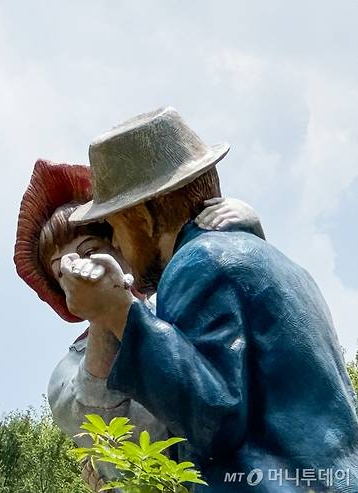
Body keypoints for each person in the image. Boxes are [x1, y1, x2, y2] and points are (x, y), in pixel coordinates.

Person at [61, 107, 358, 492]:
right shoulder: (282, 266)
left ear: (144, 217)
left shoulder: (198, 263)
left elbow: (214, 416)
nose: (116, 243)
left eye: (116, 226)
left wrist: (120, 312)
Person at [14, 158, 265, 490]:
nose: (79, 269)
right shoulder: (67, 374)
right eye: (62, 270)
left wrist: (245, 236)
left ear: (122, 243)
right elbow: (99, 423)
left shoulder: (186, 303)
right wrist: (104, 315)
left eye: (91, 250)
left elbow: (257, 333)